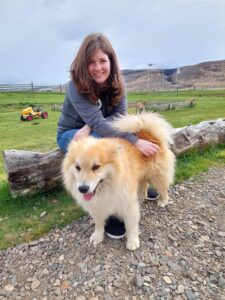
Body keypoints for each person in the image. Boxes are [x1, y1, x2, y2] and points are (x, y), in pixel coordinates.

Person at [57, 33, 159, 239]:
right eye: (90, 62)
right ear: (83, 65)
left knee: (109, 140)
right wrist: (135, 141)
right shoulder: (76, 85)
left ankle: (124, 189)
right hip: (71, 135)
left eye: (102, 61)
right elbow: (101, 124)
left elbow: (120, 119)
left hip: (95, 130)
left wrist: (92, 124)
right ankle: (109, 210)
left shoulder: (118, 83)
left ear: (111, 61)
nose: (97, 67)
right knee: (102, 141)